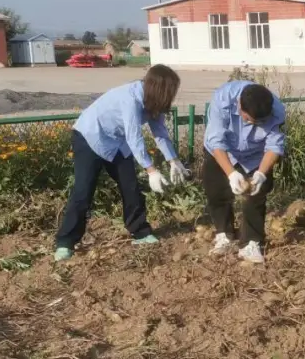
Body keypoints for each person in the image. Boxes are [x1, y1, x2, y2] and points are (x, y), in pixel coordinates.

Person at [54, 64, 188, 261]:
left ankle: (140, 232)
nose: (172, 95)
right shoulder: (130, 98)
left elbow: (159, 132)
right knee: (83, 191)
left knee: (130, 186)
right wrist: (151, 170)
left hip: (116, 141)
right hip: (90, 136)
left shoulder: (154, 103)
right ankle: (65, 242)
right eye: (170, 91)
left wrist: (173, 160)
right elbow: (134, 137)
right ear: (159, 89)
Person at [202, 80, 286, 264]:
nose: (251, 124)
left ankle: (252, 242)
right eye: (247, 119)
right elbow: (216, 141)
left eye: (258, 123)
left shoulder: (277, 111)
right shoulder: (223, 98)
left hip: (255, 154)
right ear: (239, 105)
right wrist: (231, 173)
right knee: (216, 189)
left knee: (257, 194)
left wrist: (261, 174)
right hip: (223, 149)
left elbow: (274, 146)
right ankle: (224, 235)